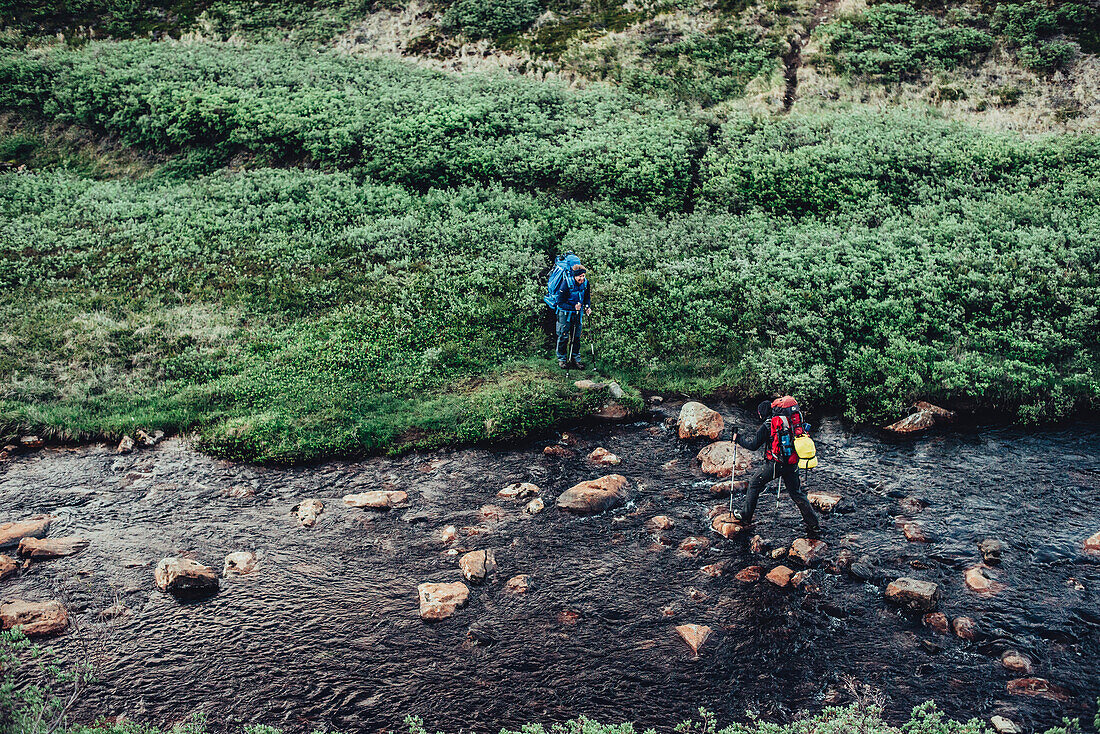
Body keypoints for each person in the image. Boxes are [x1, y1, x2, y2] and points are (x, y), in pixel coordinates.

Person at [732, 400, 820, 534]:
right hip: (791, 463)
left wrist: (738, 439)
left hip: (775, 464)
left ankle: (745, 516)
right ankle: (813, 524)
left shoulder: (768, 426)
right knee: (797, 493)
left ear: (762, 413)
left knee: (754, 484)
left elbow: (753, 446)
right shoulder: (788, 421)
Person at [555, 264, 591, 369]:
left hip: (578, 313)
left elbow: (587, 297)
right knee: (563, 336)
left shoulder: (585, 283)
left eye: (583, 276)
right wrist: (573, 307)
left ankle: (576, 359)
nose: (582, 278)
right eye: (579, 276)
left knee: (576, 336)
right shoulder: (566, 283)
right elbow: (560, 303)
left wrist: (587, 306)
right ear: (575, 276)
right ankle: (562, 359)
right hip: (565, 314)